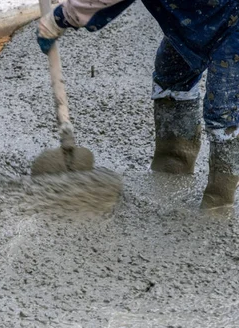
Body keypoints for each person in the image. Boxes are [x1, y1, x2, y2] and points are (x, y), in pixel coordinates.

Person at [37, 0, 239, 209]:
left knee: (224, 108)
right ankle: (172, 165)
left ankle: (218, 202)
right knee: (172, 76)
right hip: (194, 14)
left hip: (233, 19)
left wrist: (59, 18)